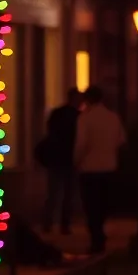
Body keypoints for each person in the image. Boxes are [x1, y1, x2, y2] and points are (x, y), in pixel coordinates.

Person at [73, 86, 126, 254]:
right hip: (109, 166)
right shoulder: (113, 117)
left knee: (91, 205)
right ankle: (100, 233)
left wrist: (76, 161)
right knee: (103, 204)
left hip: (89, 168)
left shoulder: (85, 118)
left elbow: (81, 144)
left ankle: (96, 238)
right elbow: (121, 140)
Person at [37, 87, 84, 234]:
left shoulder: (57, 114)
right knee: (67, 195)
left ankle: (48, 223)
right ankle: (64, 225)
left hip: (55, 158)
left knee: (53, 193)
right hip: (69, 159)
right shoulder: (79, 117)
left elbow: (50, 131)